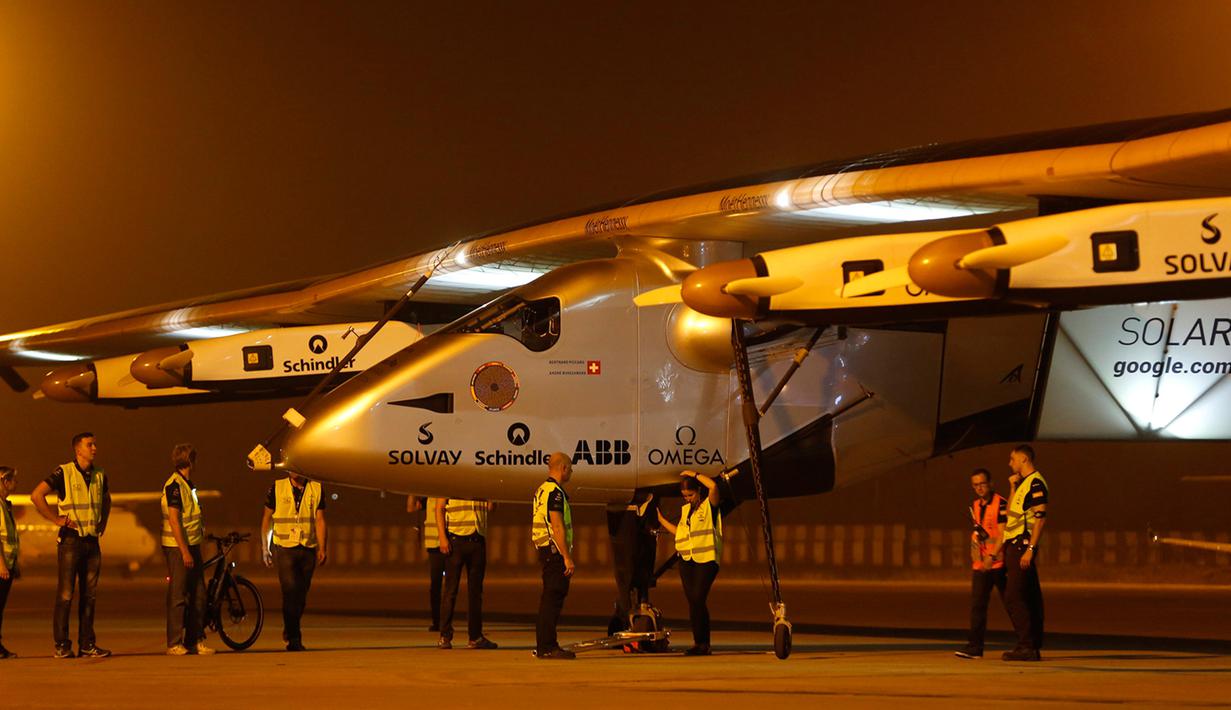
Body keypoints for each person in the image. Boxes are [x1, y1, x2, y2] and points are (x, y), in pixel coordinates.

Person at [31, 432, 111, 659]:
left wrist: (103, 522)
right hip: (70, 542)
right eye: (90, 444)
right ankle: (62, 645)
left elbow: (107, 499)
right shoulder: (63, 472)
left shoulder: (100, 474)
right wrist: (56, 519)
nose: (94, 448)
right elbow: (37, 495)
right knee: (66, 595)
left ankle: (87, 644)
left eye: (95, 444)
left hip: (92, 542)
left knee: (90, 596)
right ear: (78, 450)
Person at [656, 470, 723, 656]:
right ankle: (699, 643)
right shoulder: (686, 510)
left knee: (698, 598)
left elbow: (714, 486)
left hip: (706, 559)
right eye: (684, 496)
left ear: (698, 491)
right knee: (694, 602)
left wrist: (694, 474)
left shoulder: (710, 506)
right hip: (687, 560)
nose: (687, 499)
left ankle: (703, 643)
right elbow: (681, 532)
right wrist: (661, 521)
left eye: (690, 495)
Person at [261, 473, 328, 652]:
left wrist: (322, 547)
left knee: (301, 595)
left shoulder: (317, 488)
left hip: (308, 547)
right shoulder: (277, 487)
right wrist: (265, 548)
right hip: (284, 548)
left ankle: (290, 626)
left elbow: (320, 519)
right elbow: (266, 519)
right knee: (290, 591)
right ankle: (294, 637)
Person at [160, 443, 214, 656]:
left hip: (192, 544)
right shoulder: (174, 486)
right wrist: (184, 551)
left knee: (199, 595)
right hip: (177, 548)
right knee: (178, 596)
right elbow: (174, 521)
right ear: (190, 461)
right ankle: (174, 642)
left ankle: (194, 640)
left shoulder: (187, 484)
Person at [1001, 444, 1049, 662]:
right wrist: (1012, 487)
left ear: (1023, 460)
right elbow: (1011, 512)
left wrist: (1030, 550)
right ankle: (1033, 644)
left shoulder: (1036, 483)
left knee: (1013, 596)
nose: (1010, 464)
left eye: (1012, 460)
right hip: (1015, 545)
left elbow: (1041, 518)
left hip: (1022, 545)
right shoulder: (1023, 485)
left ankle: (1026, 646)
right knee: (1030, 596)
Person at [954, 468, 1007, 659]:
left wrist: (991, 556)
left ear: (991, 483)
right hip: (980, 566)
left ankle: (1028, 645)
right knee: (977, 606)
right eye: (975, 485)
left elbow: (1002, 534)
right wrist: (975, 550)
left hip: (998, 564)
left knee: (1012, 604)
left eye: (982, 484)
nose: (979, 488)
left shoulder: (1001, 503)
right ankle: (975, 647)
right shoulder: (975, 505)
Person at [435, 497, 497, 649]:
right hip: (456, 540)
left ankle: (475, 636)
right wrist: (442, 537)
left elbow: (490, 508)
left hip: (477, 540)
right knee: (450, 591)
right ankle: (445, 635)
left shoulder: (482, 482)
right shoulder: (453, 479)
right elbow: (439, 508)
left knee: (475, 592)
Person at [532, 452, 575, 659]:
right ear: (563, 468)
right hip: (554, 551)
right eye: (571, 468)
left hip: (545, 550)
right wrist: (566, 556)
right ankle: (548, 646)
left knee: (549, 597)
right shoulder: (556, 493)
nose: (572, 472)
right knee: (553, 598)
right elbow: (557, 525)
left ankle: (545, 644)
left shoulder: (542, 490)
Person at [408, 495, 446, 631]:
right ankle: (437, 621)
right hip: (434, 546)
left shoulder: (444, 496)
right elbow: (411, 507)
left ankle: (445, 621)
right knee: (436, 586)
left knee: (447, 587)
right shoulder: (428, 497)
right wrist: (412, 491)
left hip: (448, 545)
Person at [0, 467, 20, 659]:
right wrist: (2, 565)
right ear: (5, 482)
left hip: (8, 563)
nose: (16, 484)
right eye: (13, 480)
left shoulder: (5, 504)